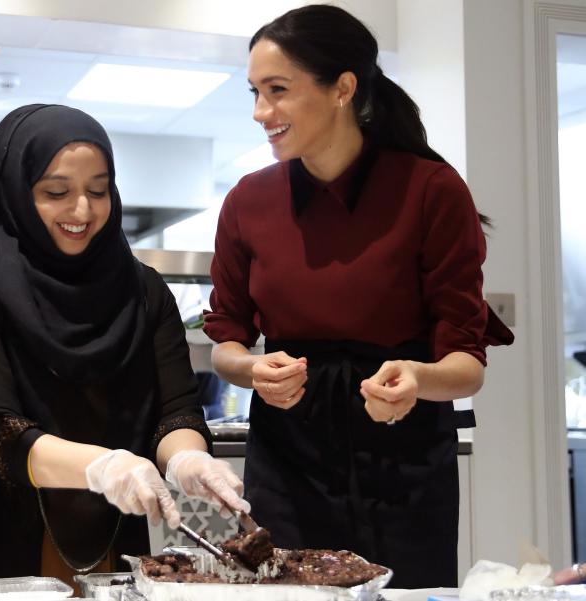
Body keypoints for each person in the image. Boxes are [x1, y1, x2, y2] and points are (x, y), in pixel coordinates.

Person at [203, 5, 514, 588]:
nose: (259, 112)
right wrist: (249, 367)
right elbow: (226, 340)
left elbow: (467, 364)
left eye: (277, 91)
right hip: (287, 455)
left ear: (343, 88)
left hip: (404, 455)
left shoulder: (431, 192)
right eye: (254, 92)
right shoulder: (248, 201)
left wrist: (419, 380)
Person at [0, 104, 248, 585]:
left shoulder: (144, 292)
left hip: (107, 535)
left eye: (98, 189)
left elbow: (177, 412)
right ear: (18, 193)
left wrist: (188, 457)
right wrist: (102, 467)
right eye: (56, 192)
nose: (82, 210)